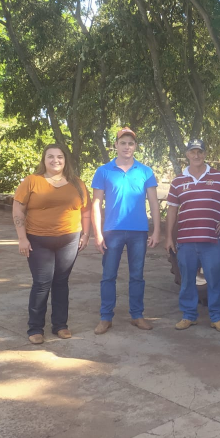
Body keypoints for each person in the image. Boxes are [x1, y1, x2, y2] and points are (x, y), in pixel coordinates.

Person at [12, 144, 91, 344]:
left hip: (69, 240)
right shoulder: (32, 181)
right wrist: (22, 238)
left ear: (66, 160)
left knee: (61, 282)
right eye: (50, 157)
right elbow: (18, 210)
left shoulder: (77, 184)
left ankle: (60, 325)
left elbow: (86, 211)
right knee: (41, 283)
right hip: (38, 240)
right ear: (44, 160)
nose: (55, 160)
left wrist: (86, 234)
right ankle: (35, 328)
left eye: (59, 157)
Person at [165, 139, 220, 332]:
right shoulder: (178, 181)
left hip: (211, 241)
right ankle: (189, 316)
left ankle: (217, 318)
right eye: (192, 152)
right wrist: (168, 237)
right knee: (188, 280)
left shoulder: (219, 177)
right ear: (187, 154)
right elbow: (172, 210)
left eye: (200, 152)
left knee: (214, 279)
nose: (196, 155)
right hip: (186, 242)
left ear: (205, 154)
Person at [91, 128, 161, 335]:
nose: (127, 147)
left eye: (131, 143)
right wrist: (98, 233)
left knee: (137, 276)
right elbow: (96, 204)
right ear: (116, 145)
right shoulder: (103, 171)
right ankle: (105, 318)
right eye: (123, 143)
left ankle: (137, 315)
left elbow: (154, 203)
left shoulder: (145, 171)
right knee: (108, 276)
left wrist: (156, 231)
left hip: (138, 231)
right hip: (112, 231)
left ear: (135, 147)